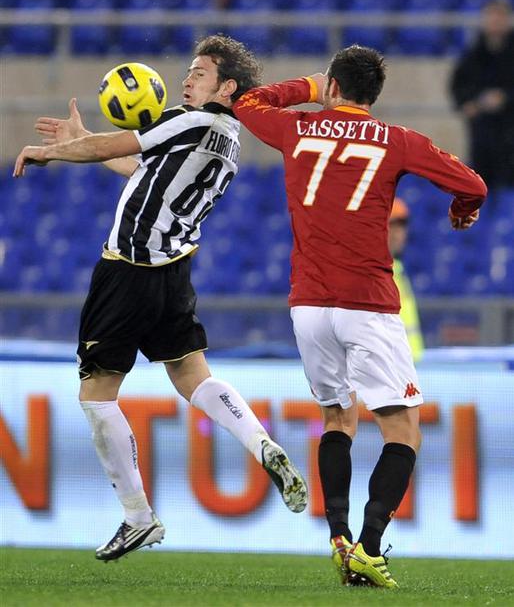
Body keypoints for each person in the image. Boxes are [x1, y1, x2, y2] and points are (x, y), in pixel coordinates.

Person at [14, 34, 307, 562]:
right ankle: (260, 442)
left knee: (97, 393)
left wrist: (54, 151)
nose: (187, 80)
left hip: (128, 269)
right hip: (174, 271)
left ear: (227, 87)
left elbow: (115, 149)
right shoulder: (229, 139)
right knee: (192, 375)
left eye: (199, 73)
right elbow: (142, 171)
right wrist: (85, 139)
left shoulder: (189, 120)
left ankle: (138, 517)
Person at [233, 44, 487, 588]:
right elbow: (473, 184)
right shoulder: (397, 140)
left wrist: (305, 87)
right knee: (404, 431)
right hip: (366, 302)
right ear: (375, 93)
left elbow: (246, 102)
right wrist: (461, 211)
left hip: (308, 304)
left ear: (333, 86)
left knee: (336, 419)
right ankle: (370, 548)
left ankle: (339, 538)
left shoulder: (298, 128)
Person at [450, 0, 514, 190]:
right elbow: (458, 85)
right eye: (491, 15)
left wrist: (505, 98)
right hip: (482, 131)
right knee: (481, 183)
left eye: (500, 16)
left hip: (510, 128)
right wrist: (467, 103)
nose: (495, 21)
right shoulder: (473, 53)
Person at [389, 197, 424, 363]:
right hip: (390, 367)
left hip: (409, 366)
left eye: (401, 227)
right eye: (392, 227)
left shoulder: (398, 270)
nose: (398, 235)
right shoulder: (373, 273)